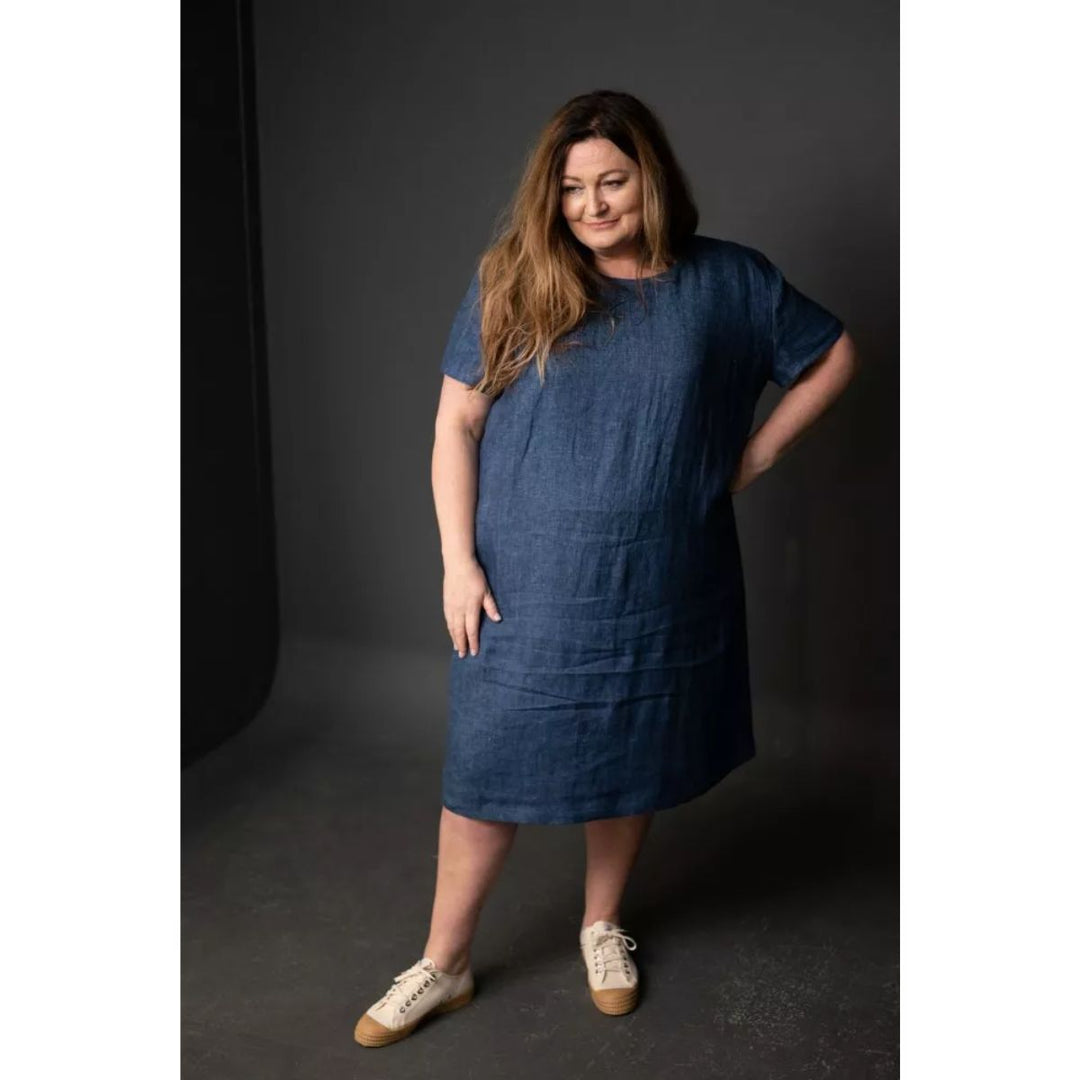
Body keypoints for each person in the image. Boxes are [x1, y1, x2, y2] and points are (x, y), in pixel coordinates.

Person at [354, 89, 859, 1048]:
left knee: (632, 753)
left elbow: (832, 356)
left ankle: (601, 925)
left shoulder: (731, 284)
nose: (592, 206)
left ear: (650, 178)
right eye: (572, 188)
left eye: (611, 181)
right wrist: (457, 560)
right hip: (524, 577)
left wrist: (753, 456)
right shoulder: (516, 277)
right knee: (486, 770)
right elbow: (455, 423)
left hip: (663, 574)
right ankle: (446, 961)